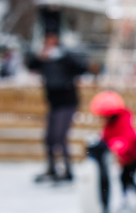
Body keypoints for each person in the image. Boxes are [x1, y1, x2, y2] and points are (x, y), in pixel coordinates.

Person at [26, 32, 92, 183]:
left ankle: (68, 170)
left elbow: (82, 68)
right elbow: (30, 65)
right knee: (49, 138)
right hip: (53, 103)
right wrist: (39, 56)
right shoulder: (45, 59)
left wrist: (64, 57)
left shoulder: (65, 58)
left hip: (67, 102)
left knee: (60, 137)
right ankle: (52, 168)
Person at [89, 91, 136, 213]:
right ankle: (127, 203)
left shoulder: (123, 122)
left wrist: (113, 145)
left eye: (103, 116)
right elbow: (105, 137)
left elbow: (126, 140)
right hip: (126, 157)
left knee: (129, 179)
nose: (102, 119)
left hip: (134, 156)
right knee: (123, 179)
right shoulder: (110, 125)